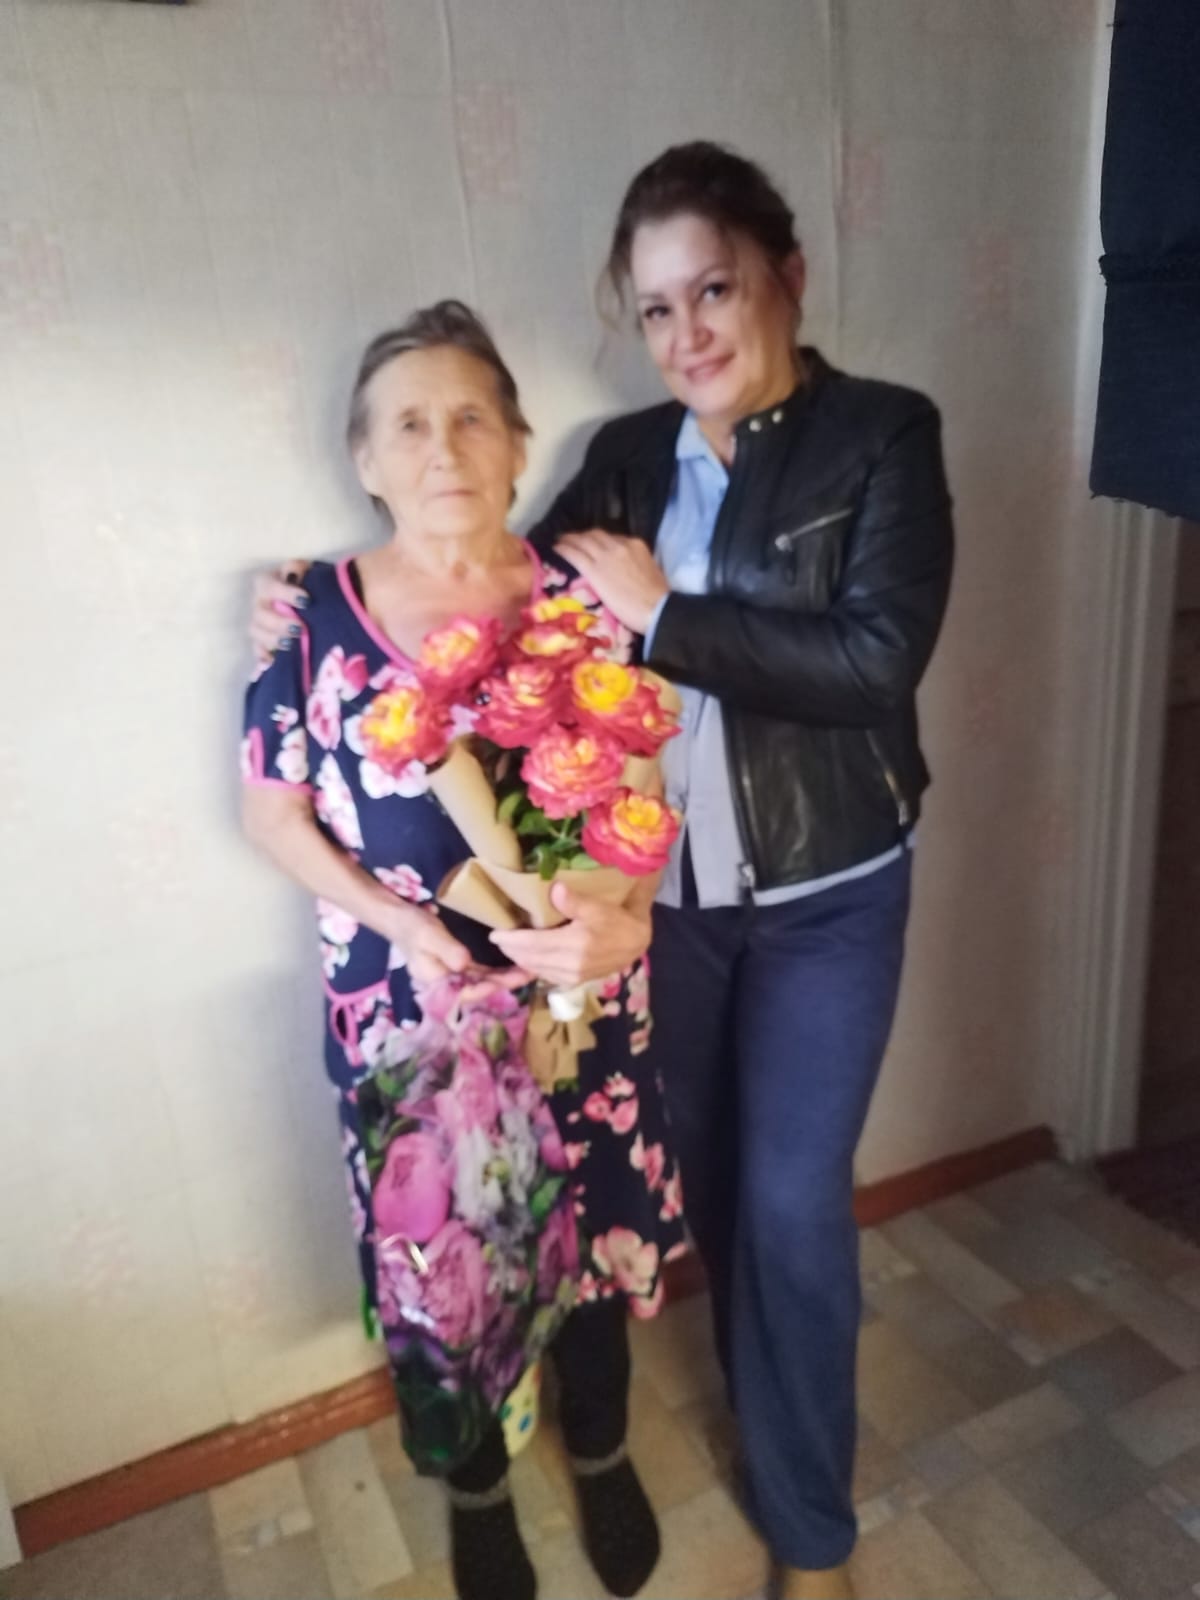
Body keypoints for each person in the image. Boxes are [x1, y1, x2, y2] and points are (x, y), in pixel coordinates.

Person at [251, 143, 954, 1600]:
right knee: (615, 1204)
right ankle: (548, 1468)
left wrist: (669, 621)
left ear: (787, 277)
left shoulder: (882, 435)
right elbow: (481, 563)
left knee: (785, 1206)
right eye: (655, 307)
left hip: (819, 896)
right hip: (658, 925)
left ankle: (809, 1534)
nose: (688, 330)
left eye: (716, 288)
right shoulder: (628, 459)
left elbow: (877, 660)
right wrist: (297, 600)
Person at [240, 300, 685, 1600]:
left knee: (589, 1240)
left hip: (582, 1006)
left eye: (472, 416)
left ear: (517, 445)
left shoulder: (586, 602)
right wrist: (402, 924)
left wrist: (618, 917)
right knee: (449, 1272)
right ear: (365, 458)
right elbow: (271, 814)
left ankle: (602, 1452)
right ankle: (480, 1499)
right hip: (410, 1021)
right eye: (409, 424)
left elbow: (646, 789)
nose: (444, 447)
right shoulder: (309, 619)